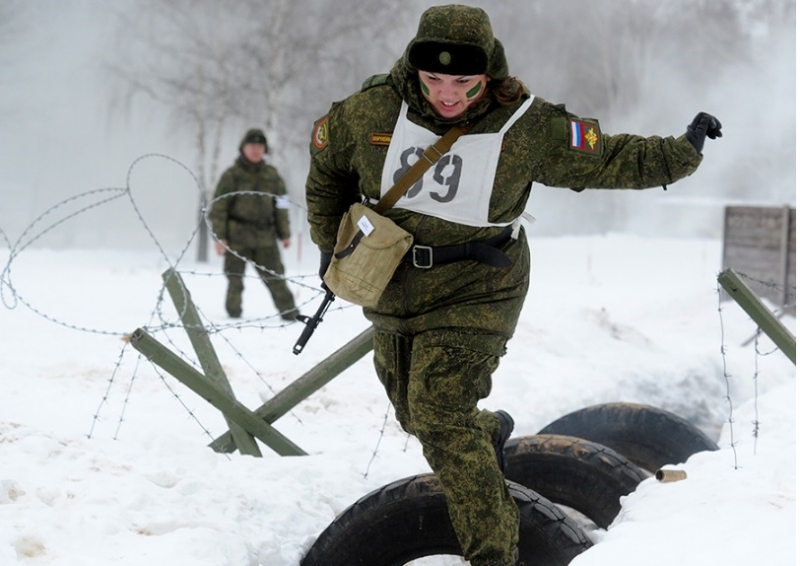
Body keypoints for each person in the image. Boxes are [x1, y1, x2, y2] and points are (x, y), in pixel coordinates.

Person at [304, 5, 721, 565]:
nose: (447, 95)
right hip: (395, 286)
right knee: (417, 414)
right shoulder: (369, 110)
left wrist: (682, 150)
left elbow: (610, 158)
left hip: (480, 287)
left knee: (440, 415)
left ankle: (496, 555)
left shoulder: (525, 125)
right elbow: (326, 167)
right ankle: (486, 432)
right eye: (434, 80)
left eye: (463, 83)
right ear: (414, 67)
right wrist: (333, 241)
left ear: (488, 74)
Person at [209, 128, 299, 321]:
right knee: (235, 279)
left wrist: (285, 233)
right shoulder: (232, 175)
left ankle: (290, 313)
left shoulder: (272, 175)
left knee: (275, 276)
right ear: (243, 148)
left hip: (265, 236)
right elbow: (219, 207)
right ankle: (233, 316)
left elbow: (281, 205)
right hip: (237, 236)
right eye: (252, 146)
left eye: (260, 146)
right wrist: (219, 236)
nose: (256, 150)